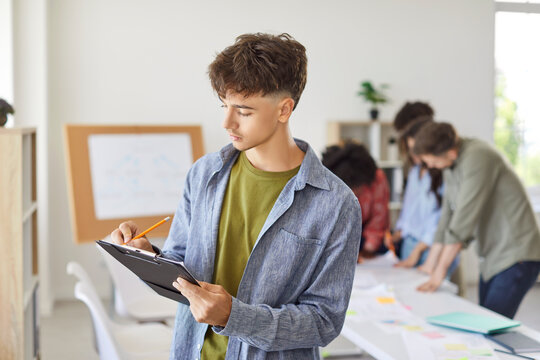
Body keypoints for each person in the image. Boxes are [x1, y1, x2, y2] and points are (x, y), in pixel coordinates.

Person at [110, 33, 362, 359]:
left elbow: (324, 322)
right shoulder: (204, 175)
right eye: (225, 105)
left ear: (284, 109)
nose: (227, 122)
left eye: (243, 111)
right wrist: (147, 255)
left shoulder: (336, 204)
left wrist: (234, 317)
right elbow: (181, 269)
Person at [413, 122, 540, 319]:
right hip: (492, 257)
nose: (429, 167)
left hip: (516, 255)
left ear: (451, 153)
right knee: (484, 322)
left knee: (490, 327)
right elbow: (447, 216)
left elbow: (463, 222)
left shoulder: (478, 157)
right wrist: (430, 264)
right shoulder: (449, 167)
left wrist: (440, 272)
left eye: (432, 162)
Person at [385, 118, 450, 268]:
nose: (414, 154)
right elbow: (409, 210)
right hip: (410, 244)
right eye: (410, 149)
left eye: (416, 149)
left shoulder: (443, 174)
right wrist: (397, 234)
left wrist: (418, 251)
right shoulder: (415, 172)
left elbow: (439, 219)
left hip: (430, 248)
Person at [322, 141, 390, 259]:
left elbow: (378, 219)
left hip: (366, 233)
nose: (353, 193)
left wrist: (367, 250)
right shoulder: (326, 182)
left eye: (357, 188)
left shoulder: (377, 178)